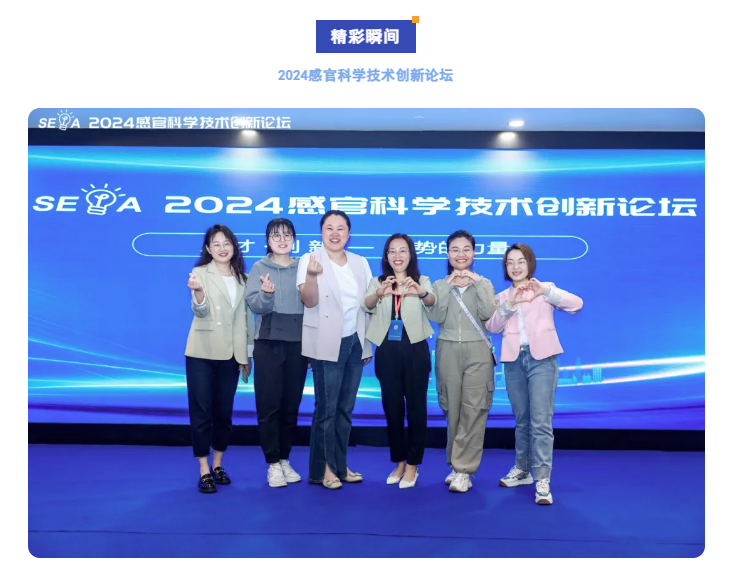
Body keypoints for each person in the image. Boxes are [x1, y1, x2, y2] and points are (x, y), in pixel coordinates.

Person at [486, 243, 583, 505]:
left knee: (541, 421)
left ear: (530, 263)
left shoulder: (544, 288)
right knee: (522, 419)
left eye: (521, 261)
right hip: (513, 361)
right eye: (510, 262)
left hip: (542, 359)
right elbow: (492, 326)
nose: (515, 267)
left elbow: (577, 304)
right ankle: (522, 470)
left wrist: (546, 292)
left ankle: (542, 478)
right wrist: (510, 304)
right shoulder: (502, 296)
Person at [297, 210, 373, 490]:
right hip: (326, 342)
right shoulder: (310, 259)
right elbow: (308, 300)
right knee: (326, 409)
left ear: (349, 233)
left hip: (355, 342)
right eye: (329, 227)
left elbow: (367, 304)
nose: (335, 233)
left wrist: (367, 344)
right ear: (321, 232)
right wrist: (312, 276)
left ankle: (341, 465)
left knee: (345, 409)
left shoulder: (360, 262)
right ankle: (324, 469)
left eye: (341, 228)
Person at [362, 234, 436, 489]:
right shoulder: (378, 281)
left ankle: (413, 464)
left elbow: (432, 301)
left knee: (416, 409)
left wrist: (421, 292)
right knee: (392, 410)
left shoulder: (422, 280)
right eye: (392, 251)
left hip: (415, 349)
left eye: (402, 250)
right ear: (386, 256)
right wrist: (379, 293)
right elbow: (366, 304)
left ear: (410, 254)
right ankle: (400, 462)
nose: (397, 255)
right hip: (387, 351)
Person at [184, 224, 254, 493]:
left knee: (224, 413)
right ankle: (203, 469)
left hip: (232, 354)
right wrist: (198, 294)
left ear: (234, 246)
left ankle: (218, 464)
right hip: (202, 351)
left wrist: (247, 354)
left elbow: (248, 320)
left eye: (227, 243)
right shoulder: (200, 273)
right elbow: (199, 310)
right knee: (202, 412)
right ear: (208, 249)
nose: (222, 248)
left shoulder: (245, 278)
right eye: (216, 244)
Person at [428, 230, 497, 493]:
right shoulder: (439, 284)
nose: (461, 254)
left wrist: (477, 283)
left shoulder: (484, 283)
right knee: (452, 408)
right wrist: (447, 286)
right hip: (447, 349)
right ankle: (456, 464)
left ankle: (464, 469)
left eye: (466, 249)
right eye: (455, 249)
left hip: (477, 350)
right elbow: (437, 316)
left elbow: (488, 313)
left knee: (474, 408)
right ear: (447, 254)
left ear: (474, 253)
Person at [245, 218, 309, 488]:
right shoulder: (259, 267)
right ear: (267, 241)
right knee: (269, 404)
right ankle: (272, 463)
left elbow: (313, 303)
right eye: (276, 235)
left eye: (287, 235)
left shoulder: (304, 266)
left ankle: (284, 458)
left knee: (291, 405)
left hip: (299, 344)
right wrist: (267, 295)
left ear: (294, 239)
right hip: (269, 343)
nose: (282, 240)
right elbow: (255, 306)